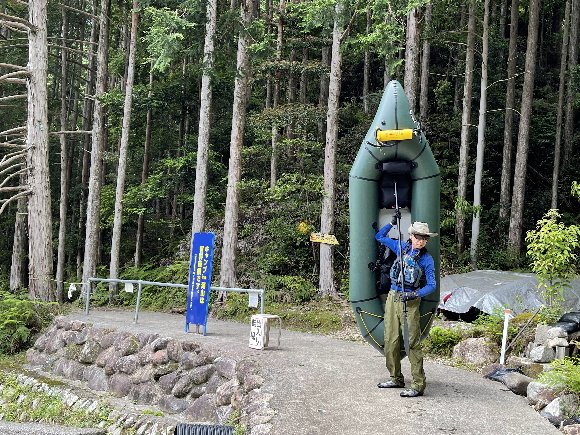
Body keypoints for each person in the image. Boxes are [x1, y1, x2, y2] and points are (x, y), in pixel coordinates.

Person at [374, 214, 437, 398]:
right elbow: (379, 237)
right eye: (418, 237)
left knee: (412, 343)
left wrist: (414, 294)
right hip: (393, 297)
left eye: (424, 238)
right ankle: (395, 378)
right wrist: (391, 223)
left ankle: (418, 384)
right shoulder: (401, 247)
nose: (421, 241)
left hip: (410, 301)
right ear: (411, 236)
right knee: (390, 340)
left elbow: (432, 285)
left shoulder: (426, 259)